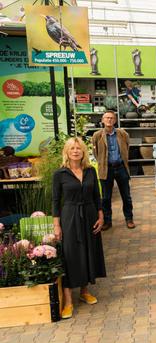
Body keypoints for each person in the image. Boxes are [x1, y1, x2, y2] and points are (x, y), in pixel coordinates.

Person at [52, 137, 107, 319]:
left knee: (88, 252)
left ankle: (84, 291)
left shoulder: (90, 170)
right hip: (70, 216)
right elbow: (55, 201)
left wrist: (100, 214)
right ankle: (68, 301)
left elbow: (97, 195)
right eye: (72, 148)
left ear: (83, 151)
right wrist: (57, 225)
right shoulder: (60, 174)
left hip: (90, 214)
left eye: (79, 148)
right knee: (70, 255)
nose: (76, 151)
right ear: (67, 152)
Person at [91, 111, 136, 230]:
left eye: (111, 118)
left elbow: (127, 147)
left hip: (121, 167)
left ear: (115, 120)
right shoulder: (97, 135)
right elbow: (95, 153)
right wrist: (103, 162)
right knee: (106, 197)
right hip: (106, 169)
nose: (109, 120)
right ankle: (107, 221)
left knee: (126, 196)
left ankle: (129, 218)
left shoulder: (122, 133)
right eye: (107, 118)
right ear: (102, 120)